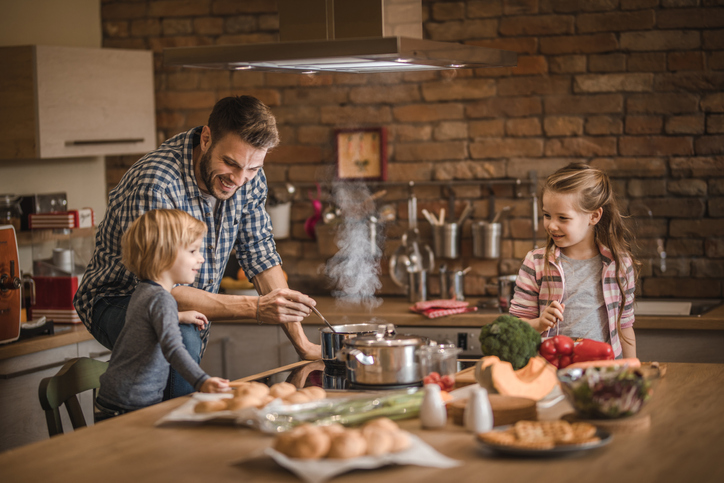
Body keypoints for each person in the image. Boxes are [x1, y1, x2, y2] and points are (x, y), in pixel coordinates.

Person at [74, 95, 320, 399]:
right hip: (116, 299)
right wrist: (256, 308)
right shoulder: (157, 183)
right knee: (179, 334)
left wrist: (303, 344)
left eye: (253, 168)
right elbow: (162, 289)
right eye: (230, 163)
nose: (240, 179)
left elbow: (260, 254)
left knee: (183, 340)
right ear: (206, 138)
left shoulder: (248, 176)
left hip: (181, 305)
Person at [96, 209, 229, 416]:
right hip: (131, 404)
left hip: (117, 397)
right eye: (193, 251)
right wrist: (202, 381)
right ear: (163, 253)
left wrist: (178, 316)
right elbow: (173, 348)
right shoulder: (162, 299)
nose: (201, 259)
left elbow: (142, 323)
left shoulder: (144, 290)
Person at [509, 163, 640, 359]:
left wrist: (632, 370)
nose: (551, 225)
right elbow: (515, 327)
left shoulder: (619, 264)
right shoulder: (535, 262)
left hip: (604, 370)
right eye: (547, 215)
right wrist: (539, 323)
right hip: (550, 370)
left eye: (563, 217)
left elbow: (625, 326)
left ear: (594, 216)